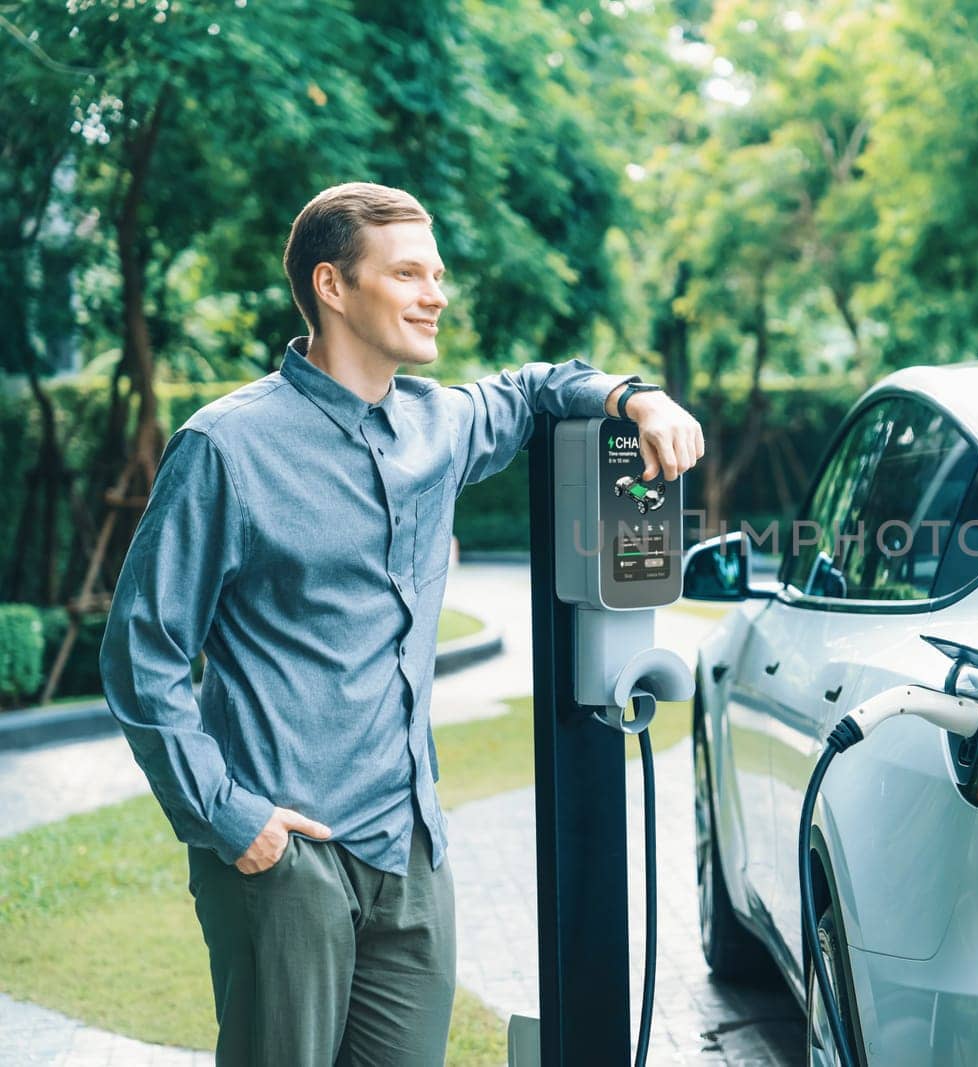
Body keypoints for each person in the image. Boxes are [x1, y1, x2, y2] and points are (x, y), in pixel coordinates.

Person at [99, 181, 704, 1065]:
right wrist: (232, 819)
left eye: (439, 272)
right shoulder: (225, 447)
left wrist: (635, 397)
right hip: (289, 856)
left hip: (412, 854)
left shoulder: (439, 423)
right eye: (410, 273)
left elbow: (538, 390)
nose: (437, 293)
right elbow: (141, 653)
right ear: (333, 286)